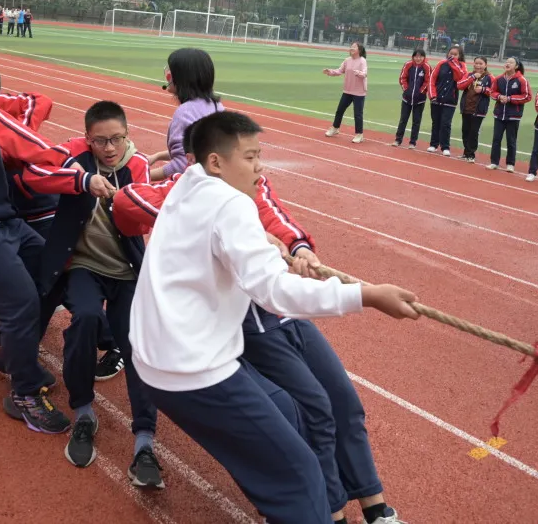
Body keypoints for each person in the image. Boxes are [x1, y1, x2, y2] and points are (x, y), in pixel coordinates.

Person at [129, 110, 419, 523]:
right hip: (195, 371)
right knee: (300, 474)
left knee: (290, 444)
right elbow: (274, 290)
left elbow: (219, 234)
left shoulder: (186, 186)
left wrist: (267, 240)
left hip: (159, 363)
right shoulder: (231, 204)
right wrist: (367, 295)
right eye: (250, 157)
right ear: (216, 161)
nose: (260, 165)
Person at [0, 19, 115, 434]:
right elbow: (7, 131)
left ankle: (17, 356)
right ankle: (24, 394)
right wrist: (67, 164)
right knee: (21, 304)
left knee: (53, 273)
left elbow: (22, 118)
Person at [18, 100, 163, 485]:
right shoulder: (74, 154)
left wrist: (123, 200)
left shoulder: (138, 165)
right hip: (82, 264)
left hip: (128, 270)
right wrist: (81, 180)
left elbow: (147, 215)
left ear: (128, 134)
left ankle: (145, 440)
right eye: (101, 141)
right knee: (83, 318)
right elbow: (33, 175)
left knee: (137, 345)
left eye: (117, 138)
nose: (110, 148)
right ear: (88, 139)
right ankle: (83, 411)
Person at [148, 48, 223, 181]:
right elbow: (197, 151)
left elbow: (181, 164)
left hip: (194, 186)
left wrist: (143, 176)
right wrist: (159, 155)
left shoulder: (185, 113)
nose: (167, 74)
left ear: (181, 77)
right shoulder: (217, 106)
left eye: (171, 70)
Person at [486, 58, 532, 173]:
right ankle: (494, 162)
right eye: (506, 62)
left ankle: (510, 164)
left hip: (513, 115)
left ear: (516, 66)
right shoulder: (498, 79)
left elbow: (527, 96)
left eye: (511, 62)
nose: (507, 64)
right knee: (496, 139)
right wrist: (499, 97)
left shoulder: (521, 80)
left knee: (511, 140)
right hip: (499, 114)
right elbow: (492, 92)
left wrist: (510, 99)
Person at [323, 43, 369, 144]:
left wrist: (359, 73)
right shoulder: (347, 60)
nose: (351, 48)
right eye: (351, 47)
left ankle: (359, 134)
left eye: (354, 47)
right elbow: (340, 71)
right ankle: (335, 128)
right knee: (339, 110)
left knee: (358, 114)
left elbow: (365, 73)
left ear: (359, 50)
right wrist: (330, 72)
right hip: (347, 91)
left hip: (359, 92)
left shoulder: (362, 61)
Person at [427, 46, 467, 156]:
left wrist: (453, 63)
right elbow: (432, 79)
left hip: (450, 99)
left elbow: (460, 78)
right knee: (436, 122)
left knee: (446, 123)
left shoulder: (462, 66)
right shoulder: (441, 64)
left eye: (455, 54)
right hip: (437, 99)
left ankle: (445, 146)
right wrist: (432, 95)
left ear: (460, 56)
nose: (452, 55)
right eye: (451, 53)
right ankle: (434, 144)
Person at [455, 55, 493, 162]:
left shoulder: (489, 77)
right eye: (476, 63)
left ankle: (471, 154)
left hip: (479, 109)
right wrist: (472, 77)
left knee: (473, 132)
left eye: (481, 64)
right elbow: (459, 85)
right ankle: (466, 153)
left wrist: (483, 90)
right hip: (466, 107)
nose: (478, 66)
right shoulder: (469, 75)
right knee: (465, 131)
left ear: (485, 65)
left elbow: (494, 92)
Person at [393, 49, 431, 148]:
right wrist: (406, 89)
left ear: (424, 57)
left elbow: (428, 81)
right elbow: (402, 78)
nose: (418, 58)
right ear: (413, 57)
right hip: (407, 98)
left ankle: (412, 142)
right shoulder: (408, 64)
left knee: (416, 121)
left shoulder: (426, 67)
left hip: (420, 100)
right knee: (403, 119)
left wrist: (421, 91)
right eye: (416, 56)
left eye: (420, 56)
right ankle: (398, 140)